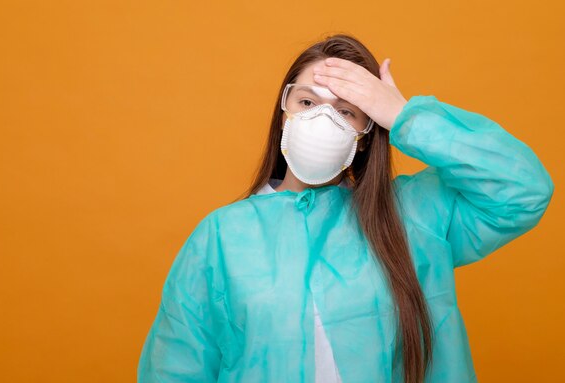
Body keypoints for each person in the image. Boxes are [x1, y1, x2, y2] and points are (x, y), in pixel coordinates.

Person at [136, 34, 554, 383]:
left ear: (367, 132)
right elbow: (174, 369)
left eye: (346, 111)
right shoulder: (222, 237)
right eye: (307, 103)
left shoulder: (409, 216)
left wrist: (404, 115)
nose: (323, 119)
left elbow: (522, 189)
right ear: (284, 114)